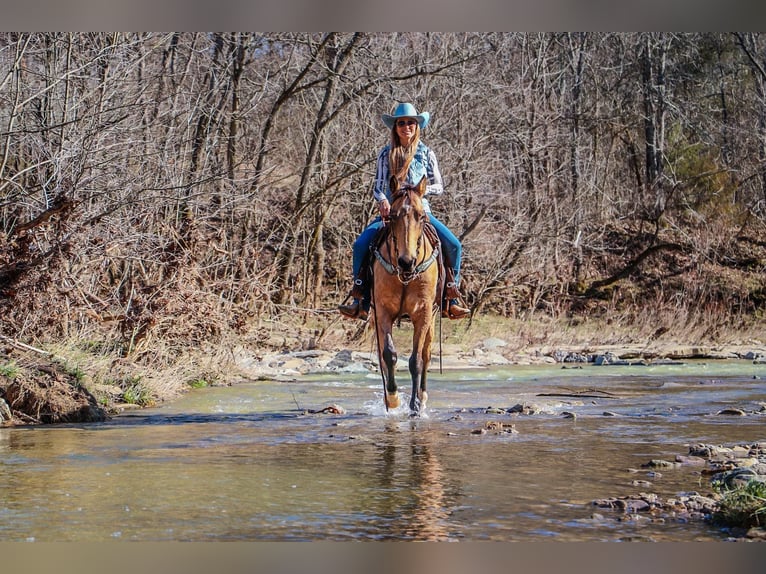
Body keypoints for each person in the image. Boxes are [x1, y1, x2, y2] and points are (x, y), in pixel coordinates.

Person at [338, 102, 469, 321]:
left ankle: (451, 297)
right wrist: (382, 200)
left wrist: (418, 192)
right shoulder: (385, 154)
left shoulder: (426, 153)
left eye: (410, 122)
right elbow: (378, 187)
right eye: (401, 123)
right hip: (392, 213)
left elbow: (438, 185)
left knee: (454, 245)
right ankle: (360, 296)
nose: (406, 126)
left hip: (419, 212)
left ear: (416, 126)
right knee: (361, 244)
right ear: (395, 127)